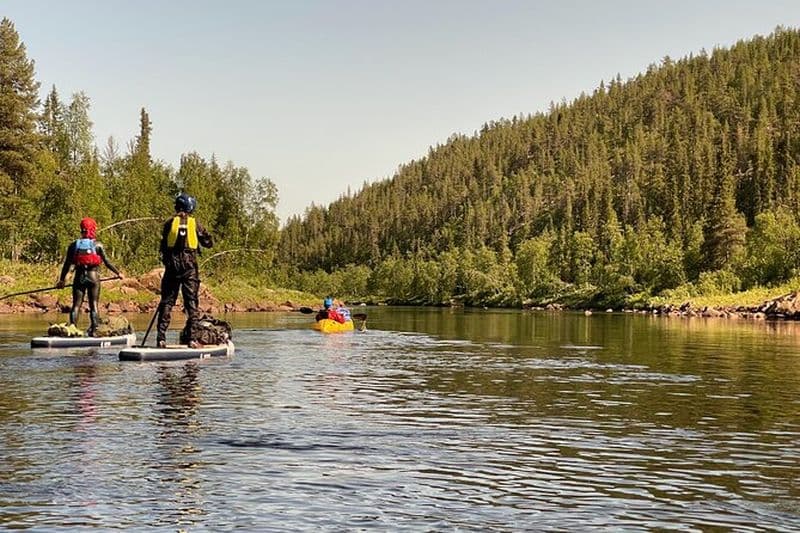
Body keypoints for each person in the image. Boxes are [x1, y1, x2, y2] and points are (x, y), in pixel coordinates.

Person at [155, 192, 213, 348]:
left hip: (172, 268)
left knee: (167, 302)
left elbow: (163, 246)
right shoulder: (195, 224)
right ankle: (192, 339)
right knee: (191, 303)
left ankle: (161, 338)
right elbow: (208, 242)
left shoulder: (169, 223)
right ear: (190, 207)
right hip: (189, 268)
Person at [56, 217, 122, 336]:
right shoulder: (98, 245)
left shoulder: (73, 245)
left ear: (81, 229)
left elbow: (67, 265)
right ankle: (95, 330)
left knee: (76, 305)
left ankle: (72, 329)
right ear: (93, 229)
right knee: (94, 304)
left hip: (79, 277)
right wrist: (118, 273)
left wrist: (62, 280)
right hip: (93, 277)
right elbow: (107, 262)